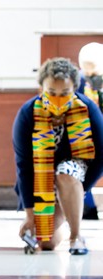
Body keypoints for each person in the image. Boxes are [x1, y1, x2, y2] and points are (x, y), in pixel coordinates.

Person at [13, 57, 103, 255]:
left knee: (66, 173)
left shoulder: (88, 109)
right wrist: (30, 215)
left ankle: (76, 236)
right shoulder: (27, 114)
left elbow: (102, 156)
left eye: (65, 93)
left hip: (73, 174)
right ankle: (60, 218)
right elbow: (24, 167)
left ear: (75, 89)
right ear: (41, 89)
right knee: (46, 244)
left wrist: (79, 189)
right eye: (51, 93)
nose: (58, 99)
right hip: (40, 180)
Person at [77, 42, 103, 220]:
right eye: (87, 72)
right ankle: (88, 208)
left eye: (94, 72)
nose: (91, 76)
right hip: (84, 133)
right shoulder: (78, 81)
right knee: (83, 171)